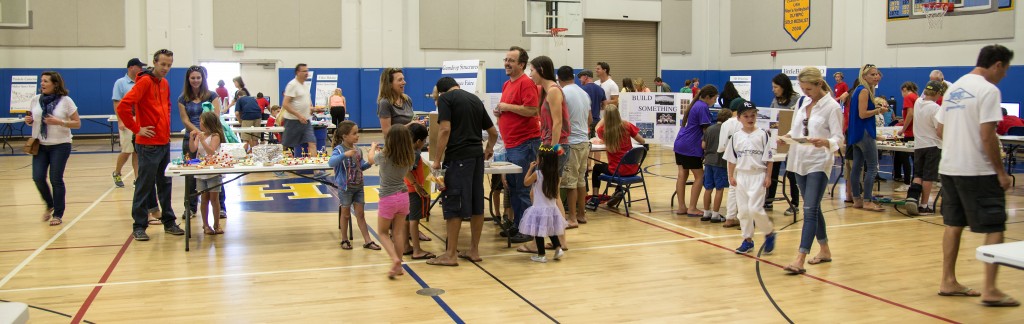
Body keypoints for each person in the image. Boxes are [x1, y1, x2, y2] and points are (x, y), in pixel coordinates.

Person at [935, 45, 1018, 306]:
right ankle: (991, 289)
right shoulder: (989, 90)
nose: (1004, 75)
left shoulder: (955, 88)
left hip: (949, 167)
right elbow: (987, 135)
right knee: (994, 226)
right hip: (977, 170)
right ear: (997, 65)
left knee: (953, 223)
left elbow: (939, 130)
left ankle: (948, 280)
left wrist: (957, 144)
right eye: (1005, 70)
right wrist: (1001, 172)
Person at [116, 49, 185, 241]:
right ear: (154, 63)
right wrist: (137, 128)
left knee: (165, 184)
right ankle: (139, 225)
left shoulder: (165, 83)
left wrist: (165, 129)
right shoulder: (144, 81)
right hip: (147, 145)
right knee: (144, 186)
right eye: (163, 64)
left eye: (169, 65)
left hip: (163, 142)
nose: (166, 68)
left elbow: (167, 106)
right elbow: (123, 107)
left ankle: (169, 222)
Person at [781, 66, 844, 274]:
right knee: (812, 206)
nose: (805, 92)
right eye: (802, 88)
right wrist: (786, 137)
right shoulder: (803, 102)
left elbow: (838, 138)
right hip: (799, 159)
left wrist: (826, 141)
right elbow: (797, 129)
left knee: (809, 210)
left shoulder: (832, 107)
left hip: (819, 161)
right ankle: (824, 249)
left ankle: (800, 258)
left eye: (808, 89)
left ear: (819, 84)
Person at [428, 77, 497, 266]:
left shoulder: (445, 99)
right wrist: (489, 149)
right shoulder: (475, 99)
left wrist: (436, 160)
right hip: (476, 158)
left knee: (454, 202)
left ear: (441, 92)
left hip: (458, 158)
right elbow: (493, 132)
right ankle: (474, 250)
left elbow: (444, 130)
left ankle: (450, 254)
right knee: (476, 204)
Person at [496, 46, 541, 244]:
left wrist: (507, 107)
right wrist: (501, 111)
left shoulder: (526, 83)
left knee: (522, 188)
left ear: (521, 64)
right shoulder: (507, 84)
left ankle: (528, 229)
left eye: (511, 60)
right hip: (511, 144)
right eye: (506, 59)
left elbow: (532, 110)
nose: (507, 63)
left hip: (525, 143)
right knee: (512, 187)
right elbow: (512, 109)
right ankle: (518, 224)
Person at [26, 71, 80, 226]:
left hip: (60, 145)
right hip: (40, 145)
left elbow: (77, 123)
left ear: (55, 84)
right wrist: (28, 121)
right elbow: (33, 120)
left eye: (45, 81)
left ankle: (58, 213)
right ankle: (49, 204)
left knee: (56, 179)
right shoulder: (35, 100)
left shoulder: (66, 101)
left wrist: (60, 122)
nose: (42, 83)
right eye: (41, 81)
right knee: (37, 177)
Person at [725, 103, 776, 255]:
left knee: (755, 208)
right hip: (741, 176)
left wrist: (768, 176)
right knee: (743, 211)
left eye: (753, 115)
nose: (750, 119)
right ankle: (747, 240)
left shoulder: (763, 134)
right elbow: (731, 159)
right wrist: (731, 176)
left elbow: (769, 159)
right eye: (746, 116)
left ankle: (768, 232)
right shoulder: (735, 137)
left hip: (757, 176)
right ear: (739, 118)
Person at [178, 65, 226, 219]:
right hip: (192, 137)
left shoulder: (212, 95)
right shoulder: (182, 98)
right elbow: (185, 119)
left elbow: (216, 116)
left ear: (203, 79)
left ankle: (221, 206)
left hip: (211, 137)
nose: (196, 80)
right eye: (193, 78)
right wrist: (198, 133)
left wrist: (206, 134)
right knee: (192, 176)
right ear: (188, 79)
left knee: (215, 173)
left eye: (198, 77)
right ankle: (191, 208)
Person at [329, 121, 381, 251]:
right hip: (346, 188)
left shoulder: (357, 150)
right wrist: (344, 155)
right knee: (345, 214)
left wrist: (369, 163)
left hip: (358, 187)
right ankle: (344, 239)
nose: (357, 136)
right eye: (354, 133)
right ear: (345, 136)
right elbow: (331, 163)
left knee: (361, 215)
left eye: (357, 133)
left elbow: (360, 167)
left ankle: (367, 241)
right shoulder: (339, 150)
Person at [374, 125, 415, 279]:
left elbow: (371, 159)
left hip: (387, 198)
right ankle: (399, 266)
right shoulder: (408, 157)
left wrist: (372, 148)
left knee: (383, 233)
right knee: (398, 232)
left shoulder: (383, 156)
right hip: (404, 197)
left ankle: (395, 259)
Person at [848, 64, 889, 212]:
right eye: (872, 74)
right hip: (864, 132)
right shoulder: (864, 91)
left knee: (857, 167)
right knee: (872, 167)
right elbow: (862, 114)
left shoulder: (860, 90)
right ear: (864, 76)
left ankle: (857, 199)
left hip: (857, 133)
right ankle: (867, 200)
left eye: (876, 74)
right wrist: (879, 110)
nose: (876, 76)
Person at [518, 147, 569, 263]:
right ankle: (558, 248)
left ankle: (541, 255)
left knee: (538, 232)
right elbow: (556, 194)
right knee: (551, 231)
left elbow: (526, 182)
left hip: (539, 209)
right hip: (551, 208)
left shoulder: (537, 174)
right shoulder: (554, 175)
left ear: (541, 160)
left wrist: (530, 169)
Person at [673, 85, 717, 216]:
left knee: (682, 174)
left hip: (680, 143)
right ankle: (692, 207)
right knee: (700, 176)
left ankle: (681, 207)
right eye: (714, 99)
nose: (714, 102)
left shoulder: (695, 104)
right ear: (708, 97)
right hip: (690, 146)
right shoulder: (703, 107)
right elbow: (706, 130)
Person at [558, 66, 592, 227]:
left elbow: (559, 119)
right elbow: (590, 119)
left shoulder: (563, 93)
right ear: (573, 76)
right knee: (581, 180)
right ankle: (581, 214)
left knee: (569, 182)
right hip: (584, 141)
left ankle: (571, 218)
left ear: (559, 78)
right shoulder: (584, 93)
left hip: (571, 142)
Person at [904, 81, 945, 215]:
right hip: (933, 144)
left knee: (918, 174)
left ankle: (913, 198)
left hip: (919, 144)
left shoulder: (918, 103)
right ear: (938, 94)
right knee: (929, 176)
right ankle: (923, 204)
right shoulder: (936, 108)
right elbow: (939, 131)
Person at [591, 105, 645, 204]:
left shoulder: (604, 130)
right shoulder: (627, 125)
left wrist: (605, 118)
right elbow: (642, 140)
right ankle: (619, 190)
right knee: (619, 164)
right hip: (633, 169)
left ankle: (595, 197)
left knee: (596, 168)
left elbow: (596, 127)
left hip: (616, 170)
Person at [767, 73, 802, 215]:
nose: (773, 90)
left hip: (791, 141)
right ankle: (769, 199)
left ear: (784, 86)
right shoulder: (775, 100)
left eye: (776, 87)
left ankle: (794, 203)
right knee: (772, 171)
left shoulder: (797, 100)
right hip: (776, 141)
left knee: (791, 174)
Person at [111, 58, 146, 188]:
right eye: (139, 67)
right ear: (131, 67)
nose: (141, 69)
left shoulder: (141, 81)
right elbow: (117, 103)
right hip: (127, 120)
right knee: (127, 150)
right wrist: (120, 121)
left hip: (139, 120)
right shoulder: (121, 83)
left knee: (137, 151)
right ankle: (117, 172)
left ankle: (137, 178)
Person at [189, 112, 225, 235]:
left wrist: (203, 141)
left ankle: (216, 224)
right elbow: (193, 149)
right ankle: (205, 225)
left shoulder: (215, 136)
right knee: (204, 199)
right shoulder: (201, 135)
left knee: (214, 199)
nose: (200, 124)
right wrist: (192, 138)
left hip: (213, 171)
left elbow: (211, 152)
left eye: (201, 122)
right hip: (201, 171)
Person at [404, 123, 435, 260]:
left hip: (404, 189)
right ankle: (417, 249)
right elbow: (407, 169)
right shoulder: (415, 153)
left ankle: (406, 246)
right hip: (412, 190)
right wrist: (416, 185)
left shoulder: (404, 149)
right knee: (414, 220)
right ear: (418, 141)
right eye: (424, 141)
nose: (424, 143)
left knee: (406, 219)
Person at [718, 100, 748, 228]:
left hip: (730, 157)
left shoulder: (725, 124)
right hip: (744, 157)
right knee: (745, 189)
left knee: (732, 187)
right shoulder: (744, 122)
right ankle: (744, 219)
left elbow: (721, 146)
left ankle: (730, 217)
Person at [701, 109, 731, 223]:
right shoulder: (726, 130)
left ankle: (706, 212)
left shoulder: (709, 128)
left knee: (708, 188)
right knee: (719, 188)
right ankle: (715, 214)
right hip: (720, 162)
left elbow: (703, 145)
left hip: (708, 161)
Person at [282, 64, 318, 157]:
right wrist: (298, 115)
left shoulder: (305, 85)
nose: (307, 73)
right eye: (304, 71)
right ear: (298, 72)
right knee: (286, 145)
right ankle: (279, 166)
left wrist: (312, 109)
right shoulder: (292, 85)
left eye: (307, 71)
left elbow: (305, 102)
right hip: (292, 121)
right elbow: (285, 104)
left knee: (312, 143)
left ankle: (316, 170)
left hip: (306, 121)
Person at [893, 81, 919, 191]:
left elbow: (910, 114)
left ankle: (907, 183)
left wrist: (903, 128)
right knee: (915, 159)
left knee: (904, 158)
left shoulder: (908, 97)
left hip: (909, 133)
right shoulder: (917, 97)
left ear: (904, 89)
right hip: (916, 132)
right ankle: (915, 182)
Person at [377, 68, 416, 135]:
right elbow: (387, 132)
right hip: (395, 144)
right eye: (400, 80)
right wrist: (410, 125)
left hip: (409, 142)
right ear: (390, 84)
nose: (404, 82)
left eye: (403, 79)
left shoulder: (407, 99)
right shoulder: (385, 103)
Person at [577, 70, 607, 137]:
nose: (579, 80)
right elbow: (605, 105)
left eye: (580, 77)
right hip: (597, 122)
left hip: (585, 122)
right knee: (595, 142)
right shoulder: (600, 89)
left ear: (585, 77)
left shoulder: (581, 90)